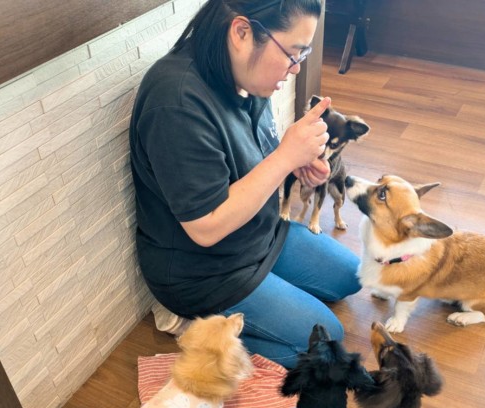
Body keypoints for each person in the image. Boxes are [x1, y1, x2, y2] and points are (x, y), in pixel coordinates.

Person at [129, 0, 361, 368]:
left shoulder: (245, 77)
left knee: (352, 276)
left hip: (259, 233)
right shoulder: (176, 103)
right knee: (327, 341)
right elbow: (206, 227)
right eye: (293, 54)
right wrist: (285, 158)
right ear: (242, 32)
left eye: (303, 55)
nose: (296, 68)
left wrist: (297, 164)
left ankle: (265, 297)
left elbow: (257, 162)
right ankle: (193, 325)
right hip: (204, 271)